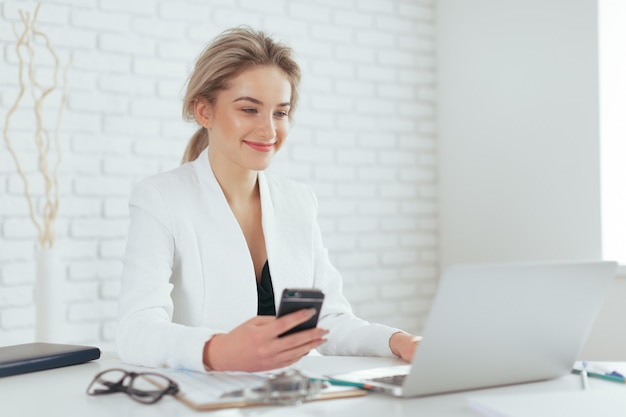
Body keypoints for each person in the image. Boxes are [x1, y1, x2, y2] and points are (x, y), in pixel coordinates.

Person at [116, 26, 421, 373]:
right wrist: (216, 350)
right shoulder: (161, 198)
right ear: (204, 111)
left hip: (294, 396)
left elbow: (327, 321)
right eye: (249, 110)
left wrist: (398, 342)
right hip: (209, 399)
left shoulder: (298, 201)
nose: (269, 131)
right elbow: (135, 329)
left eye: (280, 112)